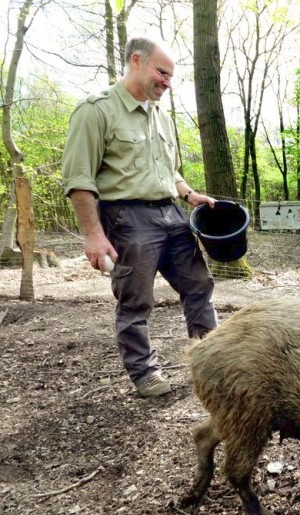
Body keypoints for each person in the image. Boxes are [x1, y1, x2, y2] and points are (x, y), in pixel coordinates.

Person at [62, 37, 218, 398]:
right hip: (126, 218)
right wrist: (93, 235)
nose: (167, 81)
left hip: (172, 213)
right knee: (136, 301)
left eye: (171, 76)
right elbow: (79, 179)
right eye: (162, 72)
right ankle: (145, 373)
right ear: (136, 61)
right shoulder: (96, 110)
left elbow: (169, 170)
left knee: (199, 287)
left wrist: (188, 194)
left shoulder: (161, 117)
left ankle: (213, 364)